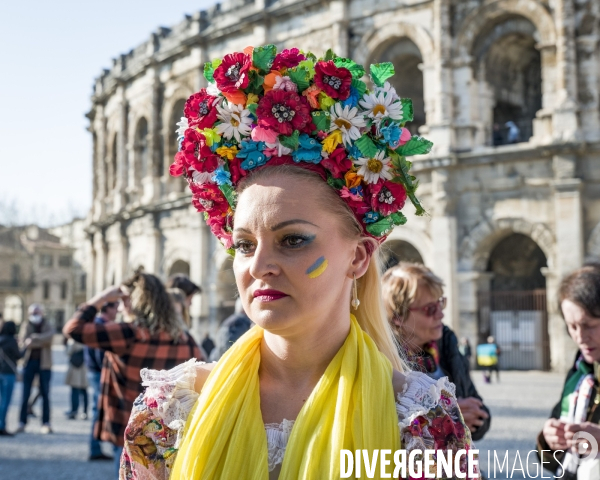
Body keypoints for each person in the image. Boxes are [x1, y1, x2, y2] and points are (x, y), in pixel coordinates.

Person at [119, 46, 478, 480]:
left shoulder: (420, 421)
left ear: (359, 256)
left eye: (292, 240)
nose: (259, 265)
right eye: (245, 245)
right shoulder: (170, 409)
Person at [63, 272, 203, 478]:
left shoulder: (129, 334)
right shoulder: (184, 338)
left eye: (123, 300)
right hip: (169, 432)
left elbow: (74, 328)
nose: (120, 307)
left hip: (130, 427)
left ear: (137, 302)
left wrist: (102, 298)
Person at [382, 262, 491, 441]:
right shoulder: (384, 359)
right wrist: (448, 414)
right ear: (398, 317)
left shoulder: (446, 344)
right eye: (430, 309)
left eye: (441, 303)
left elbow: (481, 415)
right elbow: (385, 428)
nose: (440, 314)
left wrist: (463, 417)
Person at [537, 265, 600, 479]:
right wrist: (549, 440)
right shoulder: (580, 370)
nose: (580, 337)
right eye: (572, 326)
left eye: (589, 325)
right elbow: (553, 462)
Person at [85, 301, 118, 461]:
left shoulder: (97, 324)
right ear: (108, 309)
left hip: (94, 371)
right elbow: (101, 355)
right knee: (101, 409)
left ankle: (97, 447)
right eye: (115, 307)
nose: (117, 310)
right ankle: (96, 448)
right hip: (99, 372)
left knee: (98, 409)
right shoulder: (102, 326)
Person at [16, 304, 54, 434]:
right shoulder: (26, 325)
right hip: (29, 363)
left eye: (37, 312)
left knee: (45, 394)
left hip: (44, 364)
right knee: (25, 394)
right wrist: (39, 340)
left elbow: (49, 337)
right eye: (32, 313)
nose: (35, 315)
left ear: (42, 313)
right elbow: (23, 341)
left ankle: (46, 423)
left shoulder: (48, 324)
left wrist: (34, 338)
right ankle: (22, 422)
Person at [0, 321, 22, 435]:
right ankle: (2, 426)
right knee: (5, 402)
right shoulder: (11, 341)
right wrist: (26, 346)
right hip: (8, 373)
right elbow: (19, 355)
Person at [64, 338, 88, 419]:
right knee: (84, 391)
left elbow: (68, 351)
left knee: (75, 390)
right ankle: (85, 411)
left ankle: (74, 411)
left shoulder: (73, 339)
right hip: (85, 366)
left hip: (75, 367)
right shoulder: (87, 338)